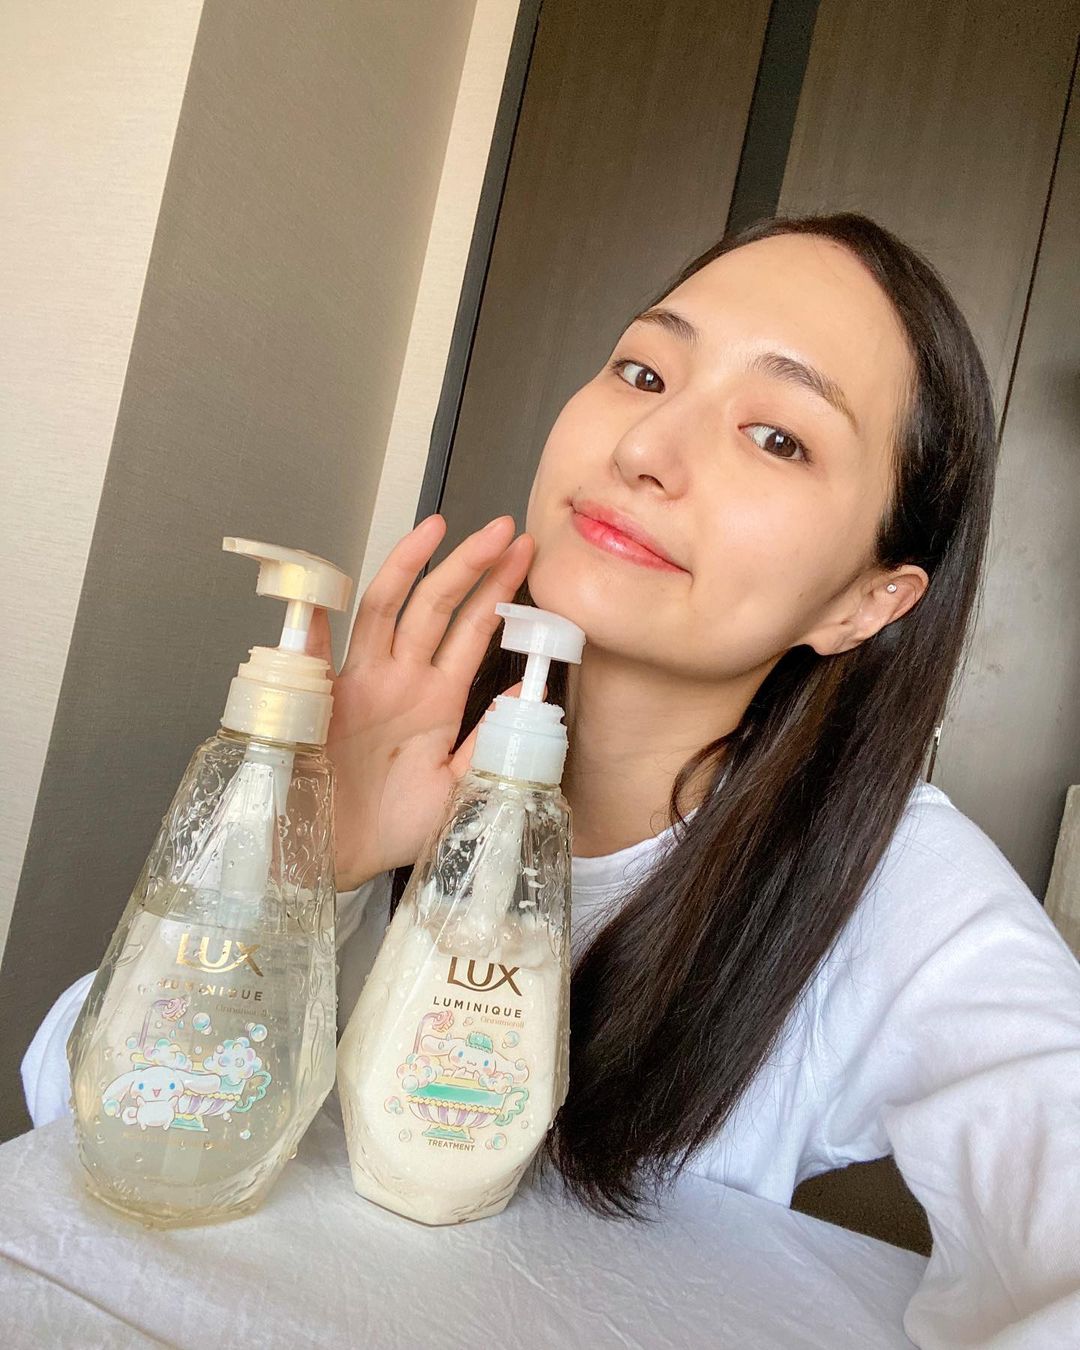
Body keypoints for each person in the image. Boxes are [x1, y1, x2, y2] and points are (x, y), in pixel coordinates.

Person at [24, 213, 1080, 1347]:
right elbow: (79, 1119)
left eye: (777, 437)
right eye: (643, 371)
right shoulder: (396, 733)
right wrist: (307, 865)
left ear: (867, 601)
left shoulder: (895, 885)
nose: (647, 448)